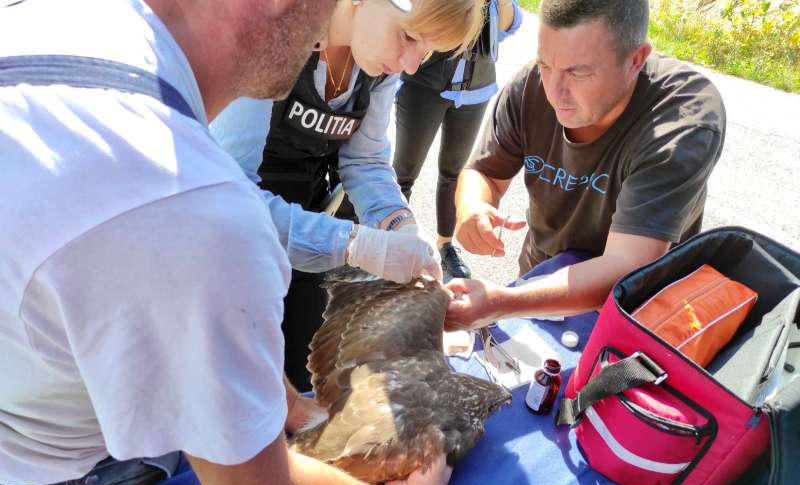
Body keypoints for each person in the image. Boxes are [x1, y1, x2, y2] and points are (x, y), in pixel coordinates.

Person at [0, 0, 453, 485]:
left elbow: (200, 327)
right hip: (64, 484)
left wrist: (290, 406)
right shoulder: (199, 212)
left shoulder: (64, 20)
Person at [211, 0, 485, 390]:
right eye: (407, 36)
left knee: (300, 365)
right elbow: (232, 201)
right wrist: (353, 243)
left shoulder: (377, 66)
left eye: (425, 52)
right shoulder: (272, 38)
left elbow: (366, 160)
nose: (409, 65)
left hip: (313, 223)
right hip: (238, 245)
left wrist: (400, 226)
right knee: (243, 385)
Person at [444, 0, 726, 331]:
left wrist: (503, 302)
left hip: (635, 309)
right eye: (545, 65)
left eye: (578, 72)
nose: (555, 91)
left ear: (635, 59)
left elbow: (627, 266)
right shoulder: (530, 86)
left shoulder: (682, 120)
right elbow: (485, 172)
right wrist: (472, 208)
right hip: (543, 278)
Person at [393, 0, 522, 282]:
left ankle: (445, 245)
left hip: (476, 91)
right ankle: (393, 243)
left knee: (454, 174)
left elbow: (513, 23)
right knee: (403, 173)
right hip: (424, 87)